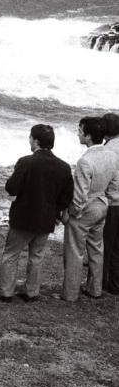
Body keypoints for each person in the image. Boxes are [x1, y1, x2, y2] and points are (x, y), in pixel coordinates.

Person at [0, 124, 73, 302]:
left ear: (36, 141)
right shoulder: (64, 167)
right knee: (37, 256)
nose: (29, 140)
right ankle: (31, 292)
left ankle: (7, 292)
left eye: (30, 137)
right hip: (46, 218)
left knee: (11, 255)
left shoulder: (25, 162)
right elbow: (66, 197)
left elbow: (12, 188)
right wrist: (55, 211)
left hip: (23, 217)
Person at [62, 116, 119, 301]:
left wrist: (72, 213)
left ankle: (70, 293)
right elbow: (114, 184)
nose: (78, 133)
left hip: (86, 208)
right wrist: (106, 201)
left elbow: (79, 195)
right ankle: (95, 289)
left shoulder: (84, 161)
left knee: (74, 251)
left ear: (87, 136)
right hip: (102, 205)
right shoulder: (111, 155)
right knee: (96, 249)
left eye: (79, 130)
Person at [101, 113, 119, 293]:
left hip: (114, 202)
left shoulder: (109, 150)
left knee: (107, 244)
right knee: (117, 247)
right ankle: (115, 283)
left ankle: (104, 282)